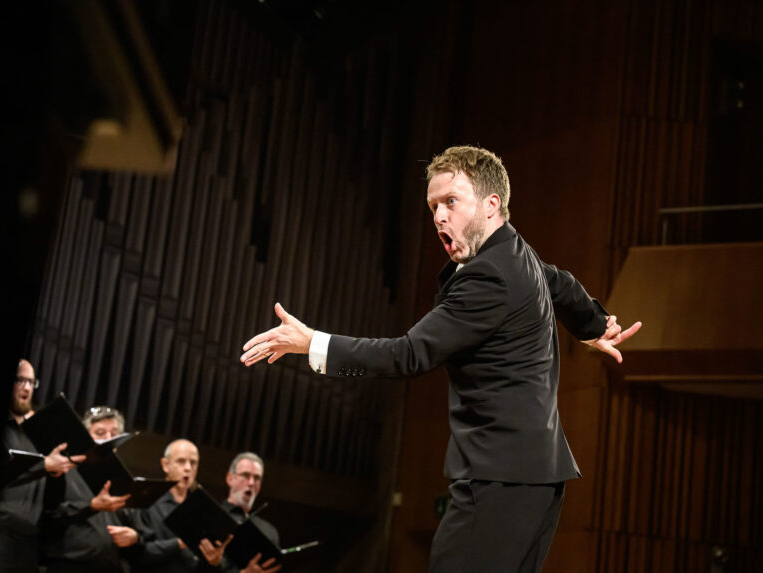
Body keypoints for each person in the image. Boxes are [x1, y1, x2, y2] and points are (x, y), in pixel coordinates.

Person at [239, 145, 642, 573]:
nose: (438, 217)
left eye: (451, 201)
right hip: (535, 479)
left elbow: (408, 355)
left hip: (499, 478)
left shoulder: (489, 276)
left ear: (491, 204)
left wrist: (313, 344)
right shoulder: (513, 253)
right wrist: (593, 324)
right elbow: (559, 282)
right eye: (433, 206)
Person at [0, 359, 83, 573]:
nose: (27, 388)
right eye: (20, 380)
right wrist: (44, 465)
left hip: (30, 540)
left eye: (31, 382)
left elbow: (51, 501)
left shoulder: (38, 434)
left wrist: (56, 473)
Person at [41, 405, 137, 573]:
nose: (108, 439)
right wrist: (91, 506)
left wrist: (134, 536)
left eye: (114, 434)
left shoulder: (122, 478)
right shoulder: (64, 471)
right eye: (100, 433)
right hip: (69, 566)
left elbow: (136, 525)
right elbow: (50, 515)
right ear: (85, 437)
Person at [127, 438, 202, 572]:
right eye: (181, 461)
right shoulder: (148, 501)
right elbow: (139, 553)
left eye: (193, 463)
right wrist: (179, 543)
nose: (188, 468)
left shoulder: (200, 507)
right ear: (165, 465)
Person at [199, 452, 281, 573]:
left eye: (257, 478)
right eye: (245, 475)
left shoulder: (269, 531)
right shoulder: (211, 516)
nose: (251, 483)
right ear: (230, 478)